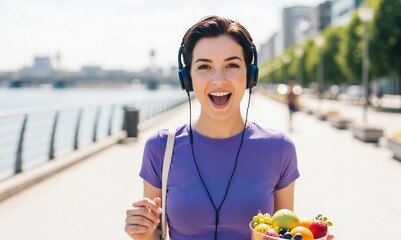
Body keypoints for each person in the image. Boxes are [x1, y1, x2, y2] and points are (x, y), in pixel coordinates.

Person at [124, 15, 334, 240]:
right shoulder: (161, 148)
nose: (218, 80)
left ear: (250, 75)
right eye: (204, 66)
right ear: (187, 78)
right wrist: (142, 234)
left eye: (232, 65)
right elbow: (153, 234)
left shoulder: (280, 149)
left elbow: (282, 233)